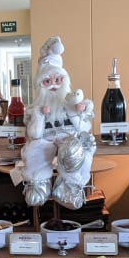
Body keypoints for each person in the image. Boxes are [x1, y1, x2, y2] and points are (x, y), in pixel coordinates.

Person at [20, 36, 96, 210]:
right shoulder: (36, 108)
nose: (53, 85)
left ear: (64, 80)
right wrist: (40, 114)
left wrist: (80, 110)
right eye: (47, 81)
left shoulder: (69, 103)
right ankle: (38, 184)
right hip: (45, 139)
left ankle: (69, 186)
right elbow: (34, 134)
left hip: (68, 138)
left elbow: (82, 127)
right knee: (35, 149)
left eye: (57, 80)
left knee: (75, 149)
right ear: (40, 85)